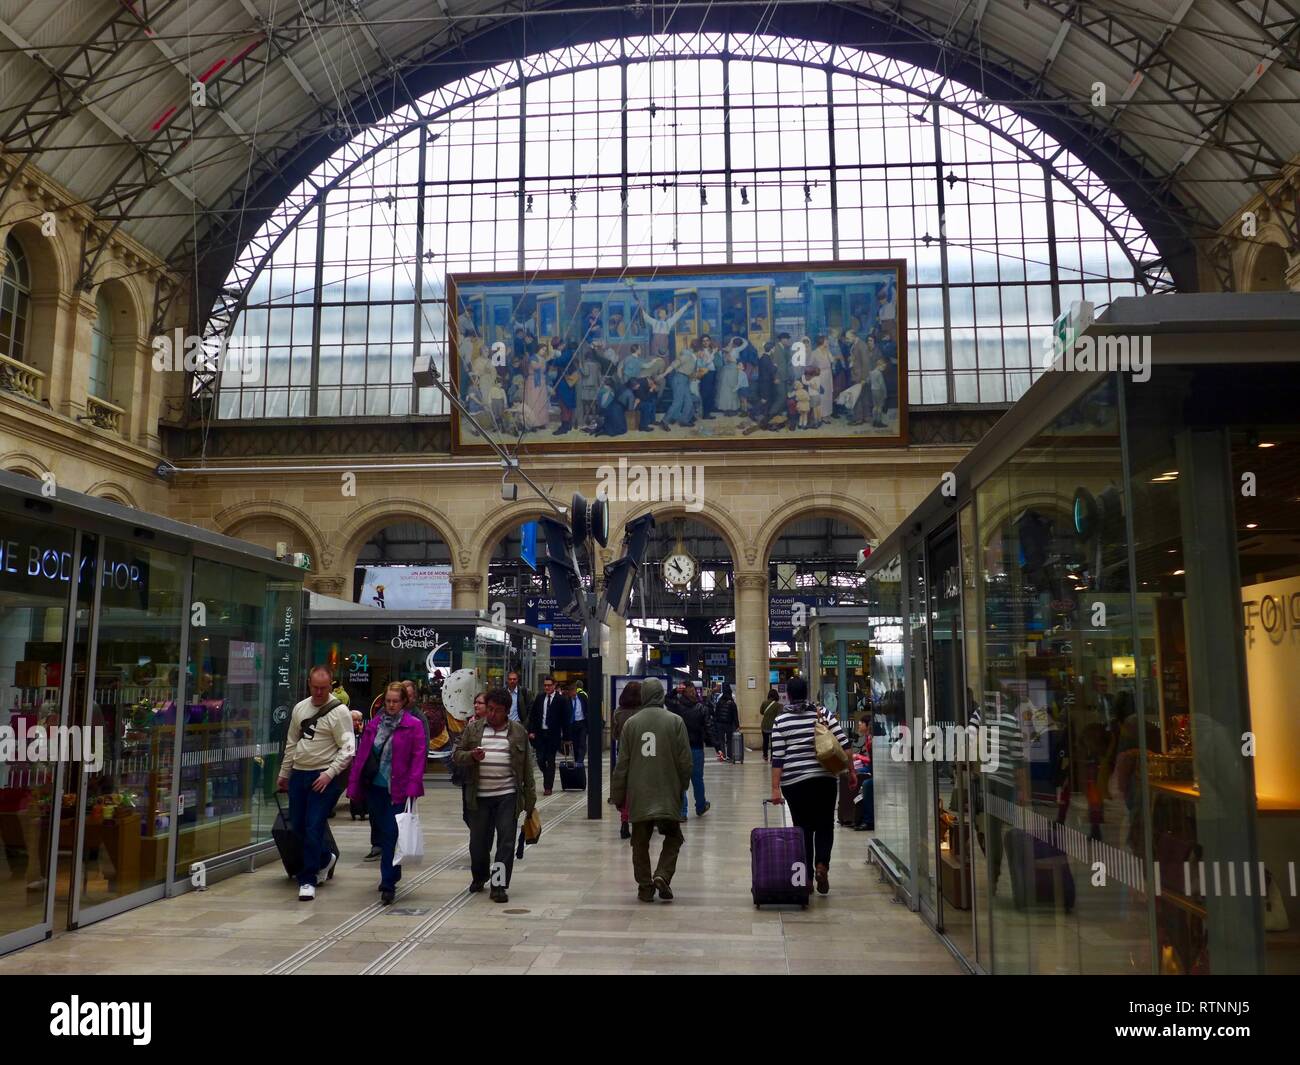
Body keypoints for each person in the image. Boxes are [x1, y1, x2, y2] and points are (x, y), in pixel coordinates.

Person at [769, 675, 855, 896]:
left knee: (803, 828)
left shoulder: (780, 721)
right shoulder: (822, 713)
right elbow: (844, 745)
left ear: (787, 694)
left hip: (794, 783)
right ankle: (822, 865)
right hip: (823, 779)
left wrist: (775, 788)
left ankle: (805, 878)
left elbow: (777, 757)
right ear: (807, 693)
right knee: (825, 824)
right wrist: (852, 772)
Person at [610, 678, 693, 903]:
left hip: (639, 793)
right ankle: (663, 874)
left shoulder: (631, 724)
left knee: (639, 842)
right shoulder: (676, 721)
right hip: (667, 790)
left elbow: (622, 765)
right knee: (674, 836)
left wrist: (618, 795)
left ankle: (645, 887)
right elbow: (686, 762)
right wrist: (681, 787)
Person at [277, 665, 355, 901]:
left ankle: (307, 878)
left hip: (323, 776)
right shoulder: (300, 708)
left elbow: (349, 748)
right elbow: (292, 742)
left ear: (330, 686)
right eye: (315, 687)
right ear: (309, 684)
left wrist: (330, 774)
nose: (319, 692)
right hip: (299, 773)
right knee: (298, 827)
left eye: (324, 688)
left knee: (314, 826)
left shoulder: (339, 712)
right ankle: (323, 858)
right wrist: (284, 773)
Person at [453, 688, 538, 903]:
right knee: (478, 843)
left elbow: (527, 768)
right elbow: (457, 755)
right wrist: (472, 756)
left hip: (507, 796)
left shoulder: (518, 732)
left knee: (506, 842)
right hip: (479, 796)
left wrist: (530, 801)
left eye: (497, 711)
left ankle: (499, 884)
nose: (491, 714)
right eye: (489, 709)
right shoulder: (473, 729)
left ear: (507, 711)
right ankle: (480, 876)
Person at [346, 682, 425, 905]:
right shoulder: (375, 724)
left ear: (403, 702)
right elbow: (362, 756)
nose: (391, 705)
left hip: (397, 789)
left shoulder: (413, 725)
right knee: (381, 833)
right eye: (388, 701)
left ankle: (388, 882)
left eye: (395, 701)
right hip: (375, 788)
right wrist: (354, 785)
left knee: (391, 834)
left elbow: (418, 758)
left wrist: (413, 786)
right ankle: (392, 872)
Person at [667, 682, 710, 821]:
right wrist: (717, 746)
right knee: (697, 779)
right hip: (697, 748)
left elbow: (666, 699)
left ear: (682, 692)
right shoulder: (701, 708)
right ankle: (701, 806)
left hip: (680, 748)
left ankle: (682, 812)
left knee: (681, 780)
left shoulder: (677, 707)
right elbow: (709, 728)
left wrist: (674, 691)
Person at [528, 676, 572, 796]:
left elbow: (566, 720)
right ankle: (547, 773)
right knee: (540, 759)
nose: (547, 687)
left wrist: (566, 738)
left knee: (550, 760)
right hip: (540, 734)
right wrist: (531, 731)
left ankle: (548, 786)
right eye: (545, 685)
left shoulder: (561, 700)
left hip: (553, 735)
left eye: (549, 685)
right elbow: (533, 716)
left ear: (554, 685)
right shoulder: (540, 698)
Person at [611, 681, 642, 840]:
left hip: (623, 752)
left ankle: (624, 820)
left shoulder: (618, 712)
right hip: (640, 753)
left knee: (625, 787)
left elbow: (615, 735)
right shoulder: (643, 712)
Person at [565, 680, 590, 766]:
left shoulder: (582, 697)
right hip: (573, 724)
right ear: (569, 693)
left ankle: (580, 761)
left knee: (582, 742)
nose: (573, 693)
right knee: (575, 744)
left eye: (574, 691)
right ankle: (577, 760)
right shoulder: (567, 701)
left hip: (582, 723)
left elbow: (587, 708)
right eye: (572, 692)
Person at [712, 683, 738, 762]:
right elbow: (735, 714)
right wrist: (737, 725)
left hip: (720, 723)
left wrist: (715, 722)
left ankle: (722, 755)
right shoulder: (732, 702)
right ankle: (729, 756)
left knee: (721, 740)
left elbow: (716, 712)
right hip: (729, 724)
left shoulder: (719, 700)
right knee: (729, 740)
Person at [759, 687, 781, 761]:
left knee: (765, 741)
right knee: (773, 742)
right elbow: (779, 715)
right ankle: (772, 757)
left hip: (764, 725)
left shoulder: (764, 703)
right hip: (773, 726)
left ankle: (765, 756)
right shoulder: (778, 705)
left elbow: (761, 712)